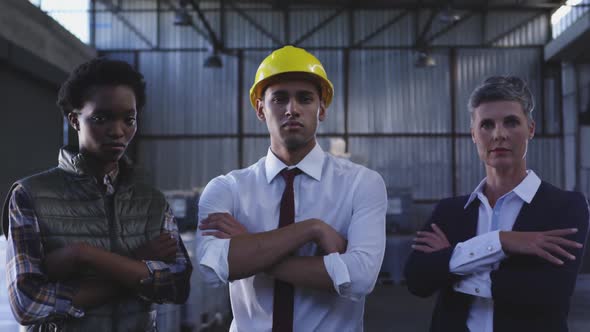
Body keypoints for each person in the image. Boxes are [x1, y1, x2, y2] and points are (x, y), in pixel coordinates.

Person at [196, 45, 387, 332]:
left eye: (305, 98)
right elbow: (213, 267)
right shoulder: (228, 189)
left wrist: (253, 248)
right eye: (279, 98)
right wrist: (310, 229)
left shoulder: (362, 183)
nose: (292, 109)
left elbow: (360, 277)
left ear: (322, 108)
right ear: (261, 109)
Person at [2, 58, 192, 331]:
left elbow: (177, 285)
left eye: (129, 119)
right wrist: (136, 265)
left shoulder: (152, 202)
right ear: (74, 119)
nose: (118, 131)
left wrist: (84, 256)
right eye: (101, 118)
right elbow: (28, 303)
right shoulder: (30, 196)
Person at [404, 76, 589, 332]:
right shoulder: (450, 211)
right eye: (486, 125)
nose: (499, 134)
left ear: (531, 129)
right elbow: (417, 280)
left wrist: (452, 264)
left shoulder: (566, 206)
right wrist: (502, 241)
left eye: (511, 122)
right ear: (473, 134)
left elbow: (549, 295)